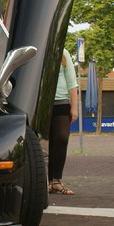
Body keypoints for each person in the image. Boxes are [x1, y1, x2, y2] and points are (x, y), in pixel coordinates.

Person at [48, 48, 78, 195]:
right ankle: (47, 182)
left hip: (62, 102)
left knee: (61, 137)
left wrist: (75, 108)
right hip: (42, 104)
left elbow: (72, 82)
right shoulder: (36, 49)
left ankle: (57, 181)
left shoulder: (63, 53)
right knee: (45, 144)